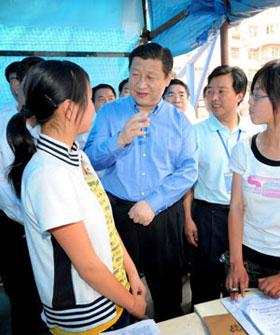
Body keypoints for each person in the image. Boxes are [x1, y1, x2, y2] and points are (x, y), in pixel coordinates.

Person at [7, 60, 146, 334]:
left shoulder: (76, 157)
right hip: (87, 316)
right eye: (89, 98)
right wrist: (131, 302)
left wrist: (130, 272)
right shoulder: (48, 174)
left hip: (111, 295)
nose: (95, 107)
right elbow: (87, 266)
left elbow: (106, 225)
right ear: (69, 109)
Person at [84, 42, 198, 322]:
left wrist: (153, 202)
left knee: (168, 289)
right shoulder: (110, 114)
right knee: (121, 291)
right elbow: (89, 161)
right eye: (135, 75)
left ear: (168, 78)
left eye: (150, 76)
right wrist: (119, 140)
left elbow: (188, 170)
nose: (141, 84)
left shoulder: (179, 121)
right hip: (118, 213)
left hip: (162, 214)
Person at [184, 65, 257, 306]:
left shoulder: (255, 132)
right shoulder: (195, 133)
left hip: (246, 217)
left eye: (221, 91)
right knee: (205, 283)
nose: (213, 98)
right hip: (208, 215)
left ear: (239, 95)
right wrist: (188, 218)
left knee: (238, 282)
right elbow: (187, 179)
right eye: (209, 91)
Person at [0, 56, 47, 335]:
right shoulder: (4, 123)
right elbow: (3, 189)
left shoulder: (54, 120)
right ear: (18, 85)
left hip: (52, 229)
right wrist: (32, 220)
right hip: (15, 228)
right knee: (24, 299)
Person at [226, 60, 280, 300]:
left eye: (257, 96)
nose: (249, 102)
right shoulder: (244, 150)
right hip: (250, 257)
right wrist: (236, 263)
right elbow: (236, 207)